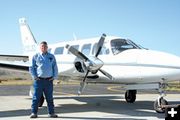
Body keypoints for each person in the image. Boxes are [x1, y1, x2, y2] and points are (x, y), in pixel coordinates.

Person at [29, 41, 58, 118]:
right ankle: (33, 113)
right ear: (40, 47)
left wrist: (54, 77)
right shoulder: (35, 56)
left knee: (50, 98)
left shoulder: (51, 56)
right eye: (42, 46)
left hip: (49, 81)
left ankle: (51, 113)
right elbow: (32, 68)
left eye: (45, 46)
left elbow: (55, 67)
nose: (43, 48)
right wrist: (34, 76)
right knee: (36, 98)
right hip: (39, 81)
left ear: (47, 47)